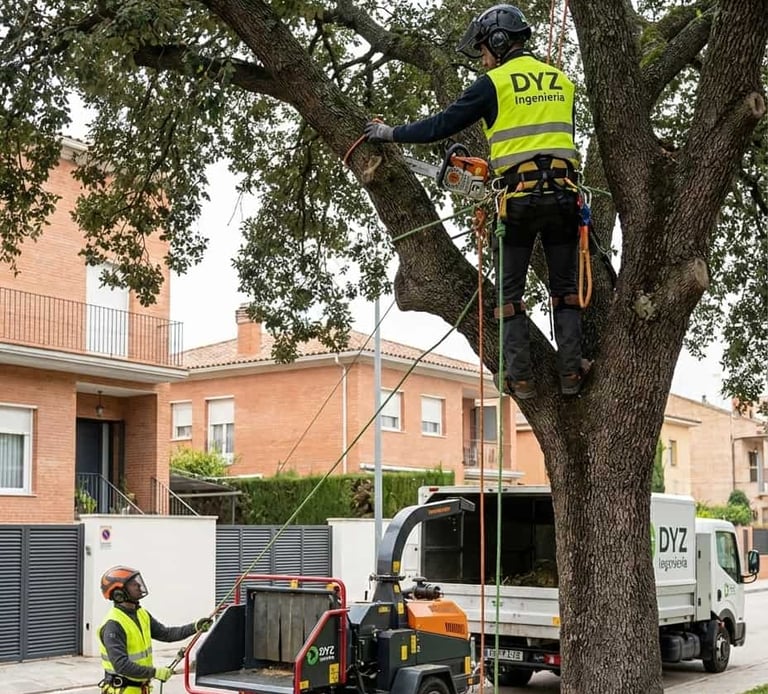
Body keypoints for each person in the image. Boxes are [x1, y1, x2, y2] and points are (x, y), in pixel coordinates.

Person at [364, 4, 590, 398]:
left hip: (518, 201)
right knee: (566, 289)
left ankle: (520, 378)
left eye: (484, 48)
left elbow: (441, 125)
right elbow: (548, 139)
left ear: (499, 42)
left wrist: (389, 133)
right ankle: (571, 373)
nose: (483, 58)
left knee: (509, 294)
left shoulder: (493, 84)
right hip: (563, 198)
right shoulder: (562, 82)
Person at [98, 565, 212, 694]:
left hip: (141, 688)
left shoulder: (141, 614)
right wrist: (155, 672)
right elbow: (121, 665)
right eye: (133, 584)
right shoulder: (113, 624)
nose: (139, 585)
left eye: (138, 581)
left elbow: (166, 634)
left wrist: (195, 627)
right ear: (119, 593)